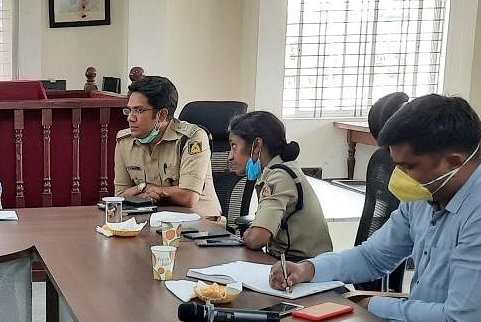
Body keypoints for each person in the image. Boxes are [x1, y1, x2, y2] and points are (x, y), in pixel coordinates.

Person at [271, 95, 481, 322]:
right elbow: (373, 258)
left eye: (409, 166)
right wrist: (309, 269)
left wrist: (372, 305)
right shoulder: (427, 194)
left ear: (453, 162)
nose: (400, 176)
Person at [227, 111, 332, 260]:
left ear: (256, 145)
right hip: (288, 263)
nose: (230, 156)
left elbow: (257, 238)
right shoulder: (276, 171)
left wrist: (247, 234)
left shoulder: (280, 176)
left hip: (303, 268)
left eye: (234, 146)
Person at [113, 76, 222, 218]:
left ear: (161, 115)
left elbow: (188, 197)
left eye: (139, 110)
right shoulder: (124, 141)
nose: (130, 118)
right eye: (129, 110)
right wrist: (149, 192)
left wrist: (146, 189)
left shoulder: (192, 138)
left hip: (201, 227)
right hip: (152, 223)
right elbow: (121, 196)